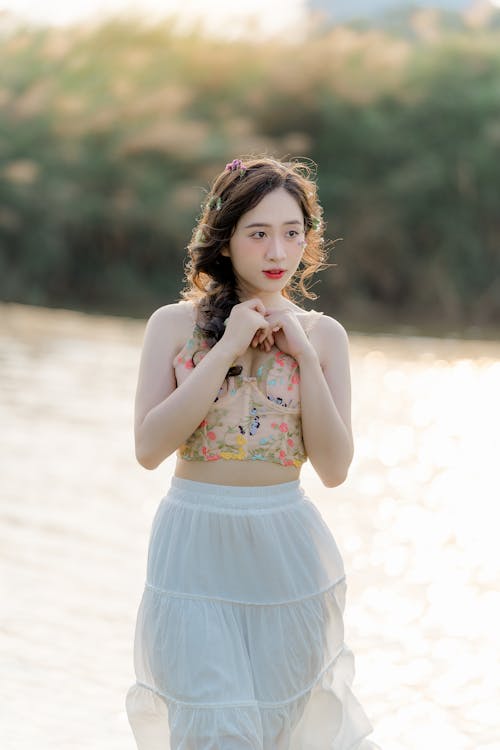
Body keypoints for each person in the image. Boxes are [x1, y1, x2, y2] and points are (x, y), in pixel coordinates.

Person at [125, 156, 380, 749]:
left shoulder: (323, 335)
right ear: (227, 237)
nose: (277, 250)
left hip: (284, 549)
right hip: (194, 544)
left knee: (277, 731)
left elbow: (335, 469)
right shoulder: (172, 326)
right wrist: (228, 347)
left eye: (292, 233)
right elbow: (147, 448)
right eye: (259, 233)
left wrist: (304, 359)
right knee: (215, 728)